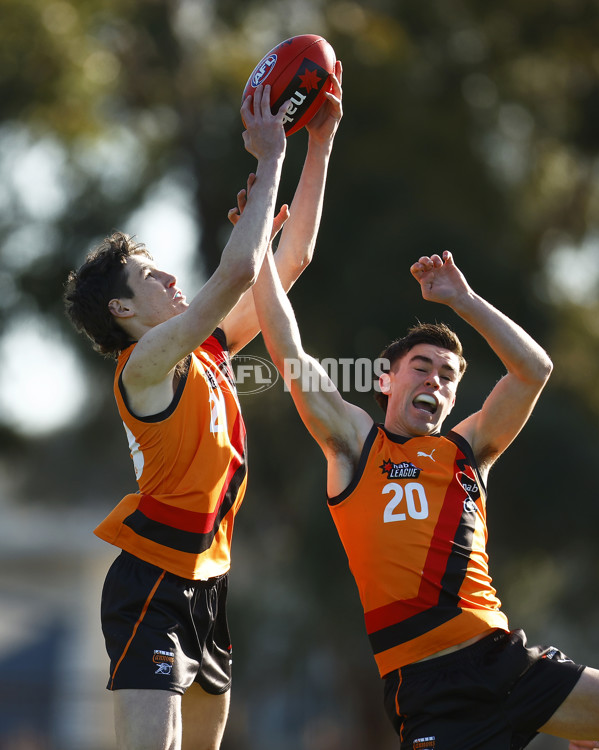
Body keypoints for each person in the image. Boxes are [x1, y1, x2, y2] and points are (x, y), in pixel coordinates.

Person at [63, 68, 342, 750]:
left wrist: (320, 140)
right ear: (122, 311)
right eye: (150, 276)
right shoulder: (146, 366)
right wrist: (269, 156)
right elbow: (240, 270)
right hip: (153, 584)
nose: (169, 277)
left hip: (209, 581)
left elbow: (292, 256)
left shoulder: (209, 352)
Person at [251, 247, 599, 750]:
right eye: (421, 367)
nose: (435, 379)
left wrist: (464, 300)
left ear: (454, 398)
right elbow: (289, 352)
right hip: (429, 689)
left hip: (502, 662)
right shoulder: (354, 445)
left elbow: (534, 370)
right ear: (386, 380)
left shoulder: (467, 451)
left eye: (448, 375)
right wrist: (258, 249)